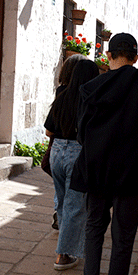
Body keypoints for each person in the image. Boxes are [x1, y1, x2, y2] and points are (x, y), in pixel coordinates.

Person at [71, 33, 138, 275]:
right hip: (131, 172)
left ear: (109, 56)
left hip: (96, 171)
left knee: (94, 229)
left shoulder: (91, 88)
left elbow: (81, 134)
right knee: (123, 238)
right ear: (136, 58)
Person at [44, 59, 100, 271]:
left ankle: (66, 238)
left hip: (57, 152)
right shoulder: (92, 99)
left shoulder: (62, 95)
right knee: (75, 206)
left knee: (63, 199)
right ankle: (63, 255)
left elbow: (48, 130)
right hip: (77, 153)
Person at [47, 53, 88, 230]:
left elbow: (50, 128)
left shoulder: (60, 92)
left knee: (61, 192)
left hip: (57, 147)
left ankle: (60, 217)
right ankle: (64, 250)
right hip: (76, 148)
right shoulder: (84, 94)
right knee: (74, 200)